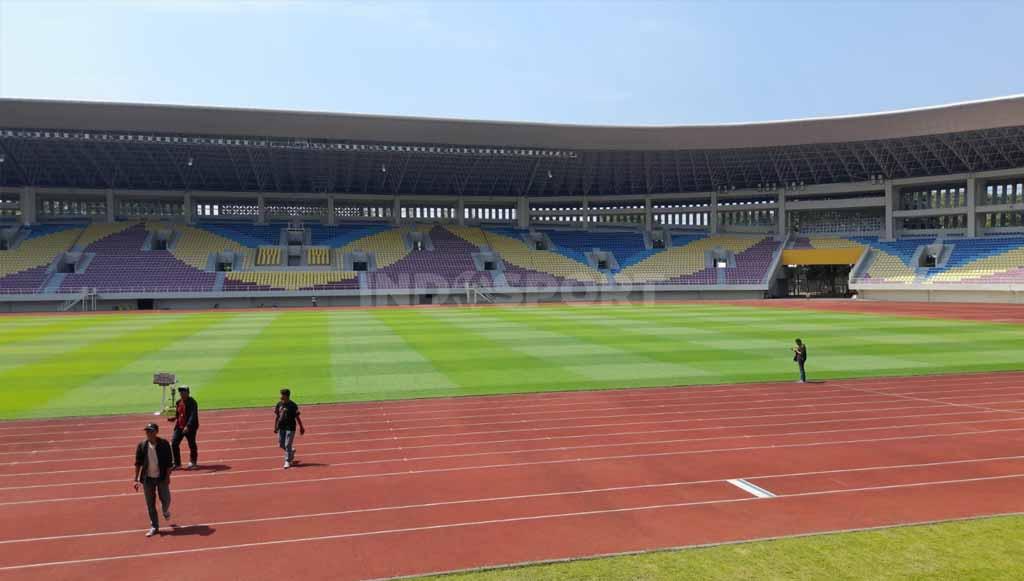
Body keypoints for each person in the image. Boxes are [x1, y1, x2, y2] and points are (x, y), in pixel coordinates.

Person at [134, 423, 173, 537]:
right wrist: (135, 479)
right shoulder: (142, 445)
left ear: (156, 432)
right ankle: (154, 526)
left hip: (161, 477)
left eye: (150, 431)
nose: (148, 433)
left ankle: (165, 511)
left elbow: (169, 463)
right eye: (147, 431)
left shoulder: (164, 444)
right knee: (150, 504)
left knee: (166, 499)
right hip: (147, 479)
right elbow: (138, 463)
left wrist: (167, 476)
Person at [168, 386, 199, 470]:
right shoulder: (178, 402)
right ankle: (177, 463)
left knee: (191, 444)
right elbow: (178, 414)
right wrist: (173, 418)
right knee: (174, 443)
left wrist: (188, 426)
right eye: (181, 392)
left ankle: (193, 462)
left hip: (190, 427)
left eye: (184, 392)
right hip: (179, 426)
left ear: (188, 393)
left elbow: (193, 416)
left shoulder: (193, 402)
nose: (182, 394)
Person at [274, 388, 306, 469]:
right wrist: (275, 427)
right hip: (281, 427)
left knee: (287, 444)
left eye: (282, 395)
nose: (280, 396)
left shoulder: (293, 405)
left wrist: (301, 427)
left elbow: (297, 417)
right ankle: (291, 450)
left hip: (290, 427)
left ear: (286, 396)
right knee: (281, 444)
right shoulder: (279, 404)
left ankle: (287, 461)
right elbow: (277, 416)